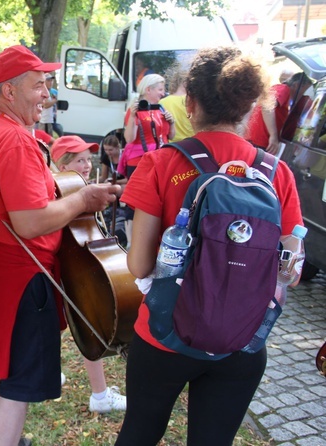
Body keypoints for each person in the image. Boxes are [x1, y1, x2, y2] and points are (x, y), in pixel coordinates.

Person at [116, 46, 303, 445]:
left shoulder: (161, 164)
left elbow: (138, 265)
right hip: (242, 339)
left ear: (190, 101)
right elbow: (290, 271)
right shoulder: (276, 172)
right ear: (250, 106)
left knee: (139, 433)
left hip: (165, 334)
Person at [0, 45, 121, 446]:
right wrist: (82, 199)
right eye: (38, 84)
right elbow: (28, 223)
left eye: (47, 83)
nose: (46, 92)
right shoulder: (14, 140)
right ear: (9, 92)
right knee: (19, 384)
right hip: (19, 275)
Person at [51, 135, 127, 414]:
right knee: (89, 325)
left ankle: (56, 375)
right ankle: (100, 394)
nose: (87, 165)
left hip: (72, 264)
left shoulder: (76, 187)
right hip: (70, 268)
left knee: (74, 325)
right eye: (80, 160)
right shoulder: (67, 189)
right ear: (62, 164)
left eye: (89, 159)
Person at [119, 74, 176, 179]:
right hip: (139, 161)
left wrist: (172, 122)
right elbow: (129, 139)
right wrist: (132, 116)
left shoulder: (160, 109)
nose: (163, 94)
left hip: (160, 159)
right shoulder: (135, 110)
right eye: (160, 90)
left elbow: (171, 136)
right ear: (148, 90)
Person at [245, 72, 311, 155]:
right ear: (297, 85)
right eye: (304, 91)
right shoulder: (283, 89)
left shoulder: (285, 96)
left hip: (259, 142)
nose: (304, 96)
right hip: (258, 142)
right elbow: (266, 106)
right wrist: (273, 135)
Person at [159, 63, 194, 142]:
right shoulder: (193, 101)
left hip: (172, 145)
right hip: (192, 144)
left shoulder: (162, 102)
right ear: (186, 83)